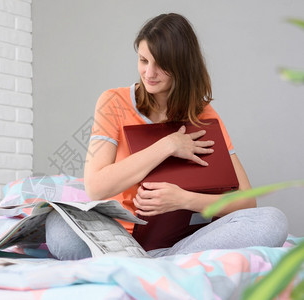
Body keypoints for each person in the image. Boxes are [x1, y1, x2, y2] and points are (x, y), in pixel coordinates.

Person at [45, 13, 288, 260]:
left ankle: (162, 259)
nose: (149, 73)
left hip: (181, 240)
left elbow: (246, 202)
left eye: (160, 65)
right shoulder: (113, 102)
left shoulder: (203, 114)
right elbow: (96, 188)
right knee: (58, 230)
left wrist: (182, 199)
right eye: (143, 60)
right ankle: (162, 260)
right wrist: (168, 145)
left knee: (272, 221)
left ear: (182, 66)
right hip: (117, 236)